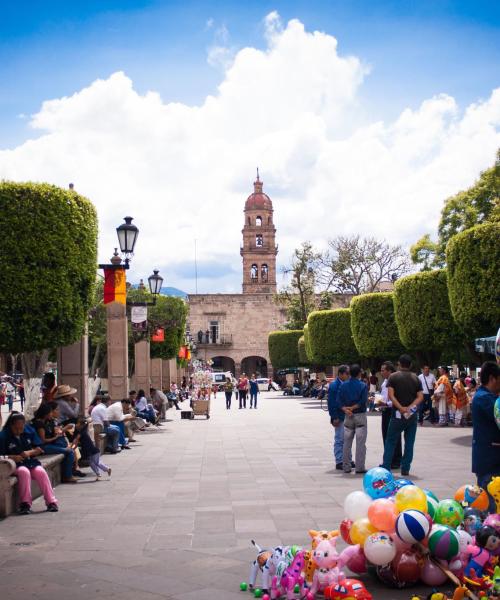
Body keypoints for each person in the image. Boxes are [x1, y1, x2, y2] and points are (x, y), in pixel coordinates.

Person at [0, 412, 58, 514]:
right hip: (13, 465)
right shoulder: (3, 435)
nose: (18, 431)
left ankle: (51, 502)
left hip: (30, 461)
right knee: (24, 472)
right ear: (11, 425)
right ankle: (25, 503)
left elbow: (40, 448)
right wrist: (11, 457)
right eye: (16, 429)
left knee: (41, 472)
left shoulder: (29, 431)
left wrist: (30, 452)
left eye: (21, 429)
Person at [381, 354, 423, 476]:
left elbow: (391, 395)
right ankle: (405, 468)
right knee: (409, 442)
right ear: (410, 365)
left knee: (390, 441)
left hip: (397, 415)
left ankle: (386, 467)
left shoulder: (393, 377)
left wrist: (401, 408)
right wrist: (410, 408)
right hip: (412, 415)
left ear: (399, 364)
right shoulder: (416, 378)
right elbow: (420, 397)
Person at [471, 361, 500, 513]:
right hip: (489, 460)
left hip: (491, 459)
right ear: (492, 378)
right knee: (491, 506)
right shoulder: (484, 398)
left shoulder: (488, 397)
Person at [32, 402, 78, 484]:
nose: (51, 414)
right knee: (69, 451)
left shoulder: (47, 422)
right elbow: (43, 440)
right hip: (43, 447)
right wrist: (55, 437)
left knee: (69, 450)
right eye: (50, 412)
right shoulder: (39, 424)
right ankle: (67, 476)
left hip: (49, 445)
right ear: (45, 414)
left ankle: (69, 473)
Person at [338, 364, 368, 474]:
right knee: (360, 443)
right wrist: (353, 407)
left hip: (348, 416)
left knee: (347, 442)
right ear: (359, 373)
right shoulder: (363, 385)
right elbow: (363, 401)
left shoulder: (343, 385)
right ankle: (360, 467)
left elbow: (339, 401)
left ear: (349, 373)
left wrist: (346, 409)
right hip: (360, 415)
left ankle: (346, 466)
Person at [72, 417, 111, 481]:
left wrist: (72, 447)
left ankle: (107, 469)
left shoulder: (82, 433)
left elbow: (75, 441)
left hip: (93, 451)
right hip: (91, 451)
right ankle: (99, 474)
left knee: (96, 462)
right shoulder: (82, 431)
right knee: (92, 462)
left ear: (81, 425)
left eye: (78, 424)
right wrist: (73, 447)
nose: (76, 425)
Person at [327, 365, 351, 470]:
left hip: (347, 415)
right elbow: (331, 403)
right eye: (347, 374)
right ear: (341, 374)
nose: (349, 376)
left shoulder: (347, 384)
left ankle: (348, 459)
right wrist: (334, 417)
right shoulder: (334, 386)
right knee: (340, 439)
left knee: (348, 439)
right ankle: (339, 460)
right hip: (339, 416)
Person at [380, 361, 402, 469]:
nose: (381, 372)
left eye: (383, 370)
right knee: (385, 435)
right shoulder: (384, 382)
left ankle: (396, 460)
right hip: (385, 410)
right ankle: (388, 459)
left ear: (389, 371)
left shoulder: (395, 382)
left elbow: (396, 398)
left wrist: (386, 403)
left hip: (392, 410)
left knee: (394, 436)